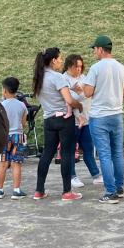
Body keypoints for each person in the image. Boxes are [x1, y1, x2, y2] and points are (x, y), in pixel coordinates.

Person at [82, 35, 124, 204]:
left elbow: (87, 92)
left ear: (101, 49)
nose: (94, 52)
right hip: (117, 115)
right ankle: (119, 188)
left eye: (94, 49)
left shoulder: (96, 68)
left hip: (99, 116)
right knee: (117, 153)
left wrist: (83, 87)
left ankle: (110, 192)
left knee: (104, 154)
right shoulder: (122, 68)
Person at [32, 47, 81, 201]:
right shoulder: (57, 77)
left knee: (47, 154)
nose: (61, 61)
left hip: (49, 120)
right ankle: (67, 192)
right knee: (66, 154)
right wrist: (78, 105)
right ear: (53, 60)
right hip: (64, 120)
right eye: (60, 59)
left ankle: (39, 190)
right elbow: (68, 100)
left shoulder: (39, 78)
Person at [62, 54, 102, 187]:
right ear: (69, 66)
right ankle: (72, 176)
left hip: (86, 119)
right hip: (72, 121)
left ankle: (96, 175)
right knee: (71, 149)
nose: (79, 69)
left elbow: (90, 94)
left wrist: (80, 93)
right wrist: (81, 94)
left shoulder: (84, 78)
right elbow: (70, 99)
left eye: (80, 66)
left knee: (88, 148)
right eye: (76, 66)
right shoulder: (63, 79)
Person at [0, 76, 28, 199]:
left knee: (2, 163)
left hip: (4, 136)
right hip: (17, 137)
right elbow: (23, 123)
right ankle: (16, 190)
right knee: (16, 164)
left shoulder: (0, 105)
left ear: (4, 90)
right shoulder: (22, 105)